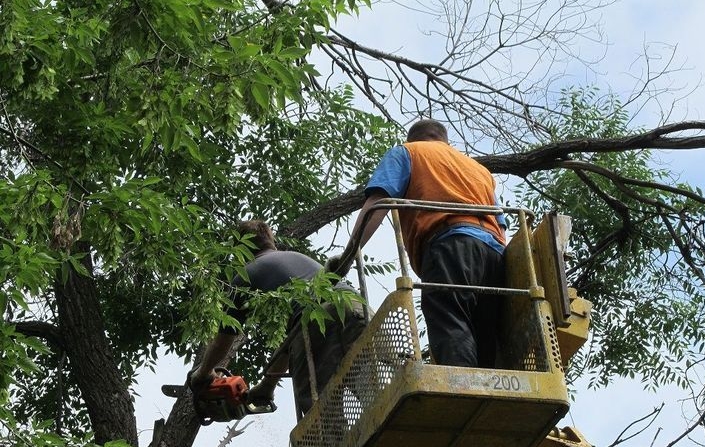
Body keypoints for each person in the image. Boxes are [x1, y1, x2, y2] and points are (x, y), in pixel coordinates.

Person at [333, 118, 506, 368]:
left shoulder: (408, 152)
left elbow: (377, 204)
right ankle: (489, 396)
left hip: (451, 244)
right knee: (485, 332)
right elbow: (501, 224)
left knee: (448, 316)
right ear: (445, 141)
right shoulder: (480, 171)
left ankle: (460, 395)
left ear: (413, 138)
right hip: (494, 253)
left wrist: (348, 257)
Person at [190, 220, 367, 419]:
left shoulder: (244, 277)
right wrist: (267, 385)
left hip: (316, 322)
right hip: (357, 307)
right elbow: (290, 343)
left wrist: (204, 373)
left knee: (322, 415)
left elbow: (223, 340)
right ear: (271, 241)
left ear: (240, 249)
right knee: (375, 386)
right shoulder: (298, 258)